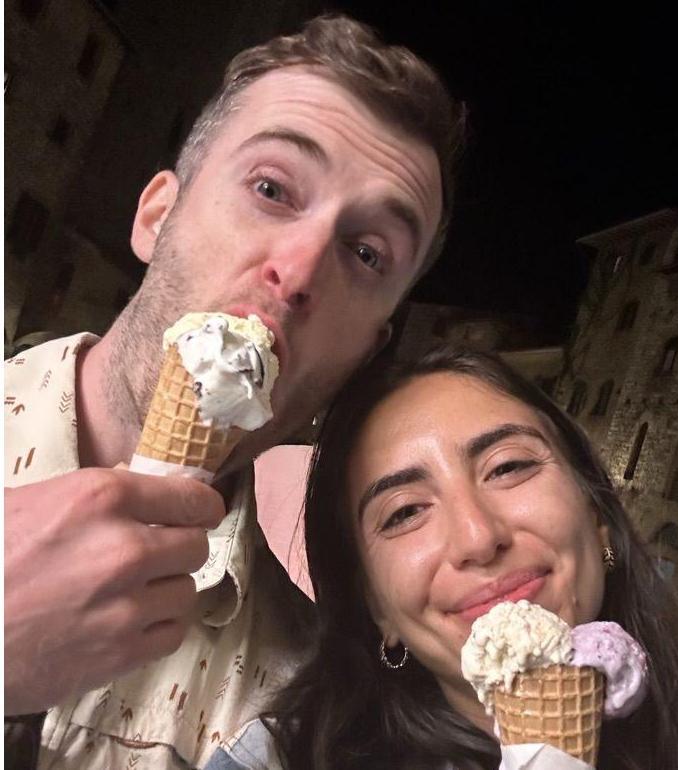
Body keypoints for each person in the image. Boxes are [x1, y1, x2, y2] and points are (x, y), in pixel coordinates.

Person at [4, 15, 465, 769]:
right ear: (158, 215)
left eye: (366, 252)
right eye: (272, 188)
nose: (301, 266)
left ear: (365, 354)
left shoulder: (303, 713)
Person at [230, 347, 678, 770]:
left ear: (596, 515)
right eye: (405, 511)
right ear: (375, 607)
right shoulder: (278, 760)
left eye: (508, 468)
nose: (478, 538)